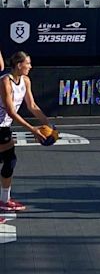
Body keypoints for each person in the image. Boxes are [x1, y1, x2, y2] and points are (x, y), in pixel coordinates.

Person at [0, 52, 50, 222]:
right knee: (8, 160)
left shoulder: (25, 81)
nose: (30, 66)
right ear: (18, 64)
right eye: (27, 63)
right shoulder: (5, 82)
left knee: (9, 161)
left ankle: (5, 200)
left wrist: (48, 124)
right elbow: (11, 111)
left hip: (3, 127)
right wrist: (33, 129)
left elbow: (32, 105)